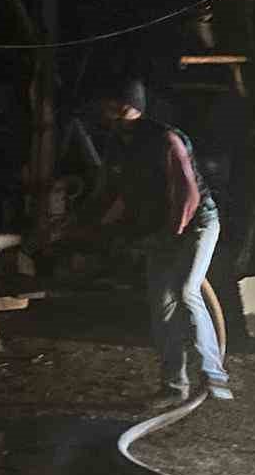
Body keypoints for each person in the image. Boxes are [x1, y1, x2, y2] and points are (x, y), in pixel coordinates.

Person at [97, 78, 232, 402]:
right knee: (162, 307)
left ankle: (215, 375)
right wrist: (98, 225)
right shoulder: (120, 141)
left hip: (196, 223)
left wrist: (174, 235)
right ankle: (174, 385)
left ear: (125, 106)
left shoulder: (166, 138)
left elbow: (188, 194)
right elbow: (124, 192)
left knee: (187, 290)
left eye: (107, 104)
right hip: (159, 231)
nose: (101, 110)